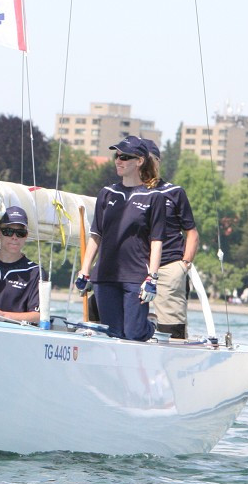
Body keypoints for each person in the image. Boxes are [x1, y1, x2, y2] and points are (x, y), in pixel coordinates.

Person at [76, 136, 165, 341]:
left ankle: (150, 326)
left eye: (125, 157)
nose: (118, 160)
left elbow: (156, 240)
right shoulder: (106, 194)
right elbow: (96, 234)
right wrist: (85, 270)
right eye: (117, 156)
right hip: (105, 276)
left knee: (133, 333)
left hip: (136, 276)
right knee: (114, 334)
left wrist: (152, 277)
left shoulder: (154, 197)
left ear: (140, 161)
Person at [142, 138, 199, 339]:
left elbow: (191, 232)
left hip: (168, 267)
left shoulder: (174, 192)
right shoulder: (126, 193)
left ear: (157, 162)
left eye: (149, 159)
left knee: (171, 330)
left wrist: (183, 265)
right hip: (134, 266)